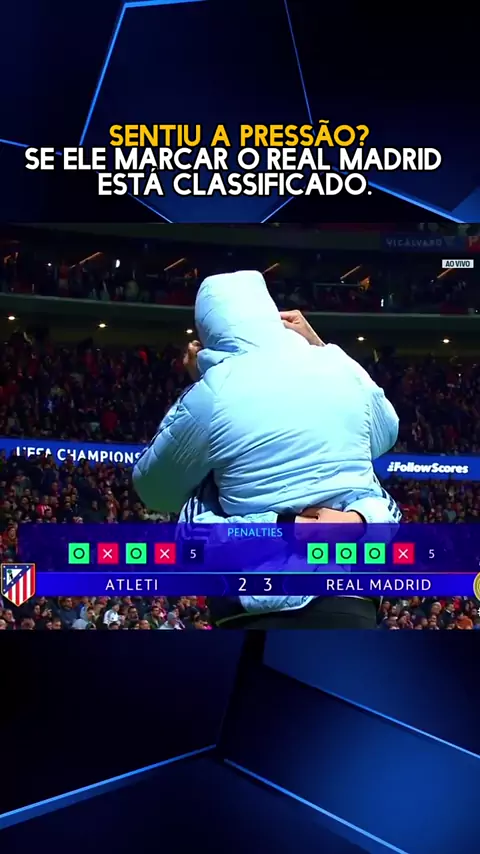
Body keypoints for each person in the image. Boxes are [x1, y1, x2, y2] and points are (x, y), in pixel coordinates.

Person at [133, 271, 401, 629]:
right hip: (352, 598)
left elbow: (154, 488)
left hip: (260, 604)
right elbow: (385, 433)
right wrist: (320, 348)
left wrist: (205, 379)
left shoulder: (213, 391)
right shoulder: (339, 366)